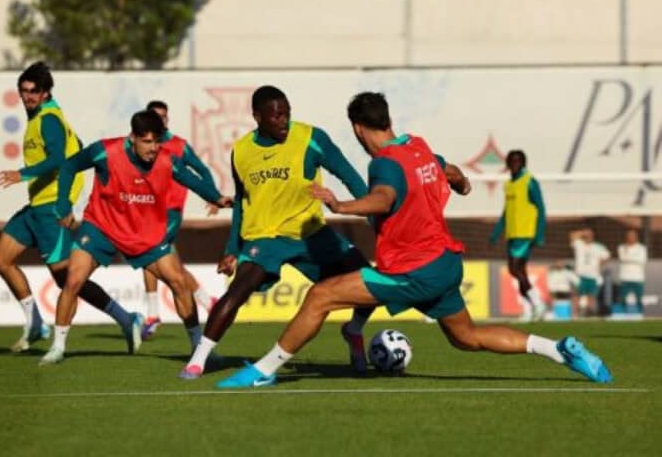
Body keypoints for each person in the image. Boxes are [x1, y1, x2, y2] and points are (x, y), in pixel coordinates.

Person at [218, 91, 612, 388]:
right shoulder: (416, 146)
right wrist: (461, 183)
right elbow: (448, 169)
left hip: (412, 270)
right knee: (468, 338)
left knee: (321, 295)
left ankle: (262, 371)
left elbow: (383, 198)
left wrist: (342, 205)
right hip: (444, 262)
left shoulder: (383, 163)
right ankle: (559, 350)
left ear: (357, 128)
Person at [179, 85, 375, 380]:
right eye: (276, 116)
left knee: (371, 281)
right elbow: (241, 204)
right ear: (257, 117)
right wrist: (232, 248)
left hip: (311, 233)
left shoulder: (311, 139)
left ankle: (353, 330)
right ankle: (199, 358)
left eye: (287, 113)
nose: (283, 121)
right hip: (265, 237)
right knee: (238, 291)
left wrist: (375, 217)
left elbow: (349, 176)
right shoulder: (242, 151)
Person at [38, 109, 231, 365]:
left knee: (179, 282)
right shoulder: (105, 152)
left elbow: (192, 180)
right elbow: (69, 165)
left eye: (157, 142)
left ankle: (199, 348)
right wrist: (63, 204)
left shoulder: (168, 160)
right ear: (133, 138)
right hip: (101, 227)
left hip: (144, 233)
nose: (154, 148)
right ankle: (58, 347)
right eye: (148, 142)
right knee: (73, 280)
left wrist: (217, 198)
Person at [0, 62, 143, 354]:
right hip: (35, 208)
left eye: (34, 92)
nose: (28, 97)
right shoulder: (40, 116)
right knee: (1, 258)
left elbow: (59, 160)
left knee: (68, 280)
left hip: (50, 209)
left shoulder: (49, 119)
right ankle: (35, 322)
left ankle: (127, 319)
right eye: (23, 91)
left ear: (46, 93)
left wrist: (21, 174)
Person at [140, 100, 218, 339]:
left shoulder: (178, 145)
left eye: (164, 116)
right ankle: (207, 300)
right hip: (147, 211)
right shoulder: (141, 145)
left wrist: (212, 196)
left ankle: (153, 314)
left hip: (170, 212)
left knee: (150, 253)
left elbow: (202, 170)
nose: (160, 120)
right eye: (155, 116)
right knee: (168, 263)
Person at [490, 149, 546, 321]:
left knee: (515, 269)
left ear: (523, 162)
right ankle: (529, 309)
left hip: (525, 232)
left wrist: (539, 233)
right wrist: (497, 232)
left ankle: (538, 302)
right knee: (517, 271)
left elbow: (541, 208)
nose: (514, 164)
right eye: (511, 161)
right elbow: (507, 211)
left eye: (517, 160)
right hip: (512, 233)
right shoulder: (508, 185)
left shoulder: (530, 181)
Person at [569, 228, 610, 317]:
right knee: (576, 295)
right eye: (586, 235)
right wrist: (582, 232)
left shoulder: (598, 246)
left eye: (589, 234)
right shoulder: (579, 244)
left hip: (592, 275)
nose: (588, 236)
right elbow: (572, 235)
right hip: (580, 275)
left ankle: (589, 314)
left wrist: (599, 265)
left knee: (591, 296)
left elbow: (607, 256)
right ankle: (574, 314)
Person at [617, 229, 647, 315]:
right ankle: (622, 315)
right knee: (622, 298)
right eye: (629, 235)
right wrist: (633, 258)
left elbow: (642, 260)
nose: (631, 237)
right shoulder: (622, 247)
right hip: (625, 277)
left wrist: (628, 257)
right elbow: (622, 258)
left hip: (638, 278)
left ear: (636, 237)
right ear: (626, 237)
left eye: (633, 235)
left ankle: (640, 314)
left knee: (639, 298)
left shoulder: (641, 248)